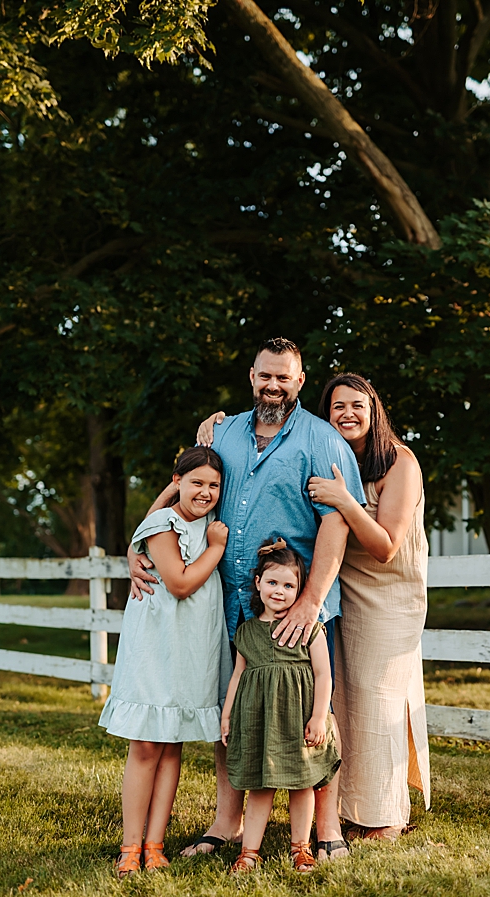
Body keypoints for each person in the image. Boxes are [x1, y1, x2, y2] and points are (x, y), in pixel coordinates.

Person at [128, 337, 364, 862]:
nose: (273, 385)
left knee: (313, 714)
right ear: (251, 376)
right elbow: (187, 490)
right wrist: (135, 541)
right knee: (229, 715)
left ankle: (326, 832)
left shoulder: (322, 441)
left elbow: (338, 524)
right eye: (265, 376)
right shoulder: (223, 432)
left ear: (300, 382)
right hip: (229, 602)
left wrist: (312, 601)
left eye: (285, 377)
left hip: (293, 605)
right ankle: (226, 823)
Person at [199, 372, 431, 840]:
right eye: (337, 406)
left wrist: (344, 501)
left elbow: (386, 546)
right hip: (344, 578)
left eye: (357, 406)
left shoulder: (399, 461)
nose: (347, 414)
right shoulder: (337, 453)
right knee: (342, 698)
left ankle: (383, 815)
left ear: (374, 410)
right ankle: (351, 809)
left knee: (377, 694)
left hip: (387, 590)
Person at [100, 447, 228, 877]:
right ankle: (130, 846)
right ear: (176, 481)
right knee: (146, 745)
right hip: (156, 646)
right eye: (196, 483)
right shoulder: (164, 524)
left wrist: (212, 537)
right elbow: (179, 583)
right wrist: (216, 549)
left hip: (191, 647)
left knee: (172, 743)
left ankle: (155, 843)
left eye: (214, 485)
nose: (205, 492)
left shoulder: (207, 522)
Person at [221, 539, 341, 873]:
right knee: (260, 786)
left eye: (289, 585)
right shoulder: (246, 632)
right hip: (260, 719)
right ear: (257, 583)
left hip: (298, 718)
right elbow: (237, 676)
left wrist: (319, 717)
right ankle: (249, 853)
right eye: (272, 582)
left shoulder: (309, 629)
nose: (279, 591)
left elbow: (323, 675)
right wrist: (228, 714)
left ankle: (301, 848)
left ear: (300, 590)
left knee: (302, 783)